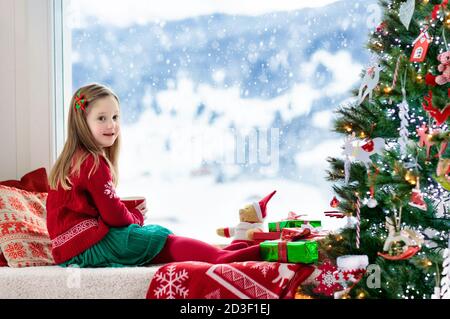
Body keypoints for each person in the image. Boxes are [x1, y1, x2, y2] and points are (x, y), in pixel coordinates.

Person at [46, 83, 261, 267]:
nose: (111, 124)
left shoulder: (73, 160)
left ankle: (224, 252)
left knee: (157, 241)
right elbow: (113, 216)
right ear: (82, 123)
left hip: (71, 250)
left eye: (115, 117)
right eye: (101, 118)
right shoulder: (92, 162)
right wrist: (136, 218)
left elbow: (98, 207)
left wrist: (127, 213)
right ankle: (225, 257)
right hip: (88, 247)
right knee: (158, 236)